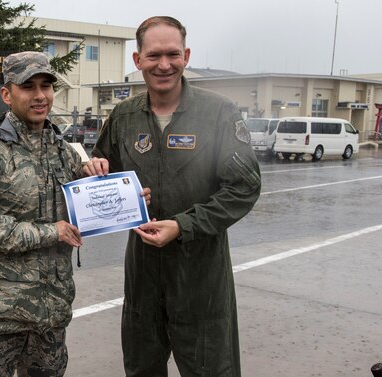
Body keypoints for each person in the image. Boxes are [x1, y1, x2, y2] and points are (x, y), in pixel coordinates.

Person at [90, 16, 262, 377]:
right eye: (153, 56)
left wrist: (184, 225)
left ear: (185, 56)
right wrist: (96, 173)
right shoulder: (123, 117)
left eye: (172, 54)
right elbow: (104, 172)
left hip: (201, 277)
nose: (163, 65)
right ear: (138, 61)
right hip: (143, 276)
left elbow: (244, 187)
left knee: (210, 370)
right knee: (142, 369)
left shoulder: (218, 112)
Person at [0, 51, 110, 377]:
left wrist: (113, 189)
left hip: (49, 317)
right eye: (28, 87)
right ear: (7, 95)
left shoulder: (63, 153)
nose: (40, 96)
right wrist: (50, 232)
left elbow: (85, 211)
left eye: (46, 86)